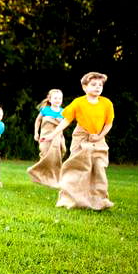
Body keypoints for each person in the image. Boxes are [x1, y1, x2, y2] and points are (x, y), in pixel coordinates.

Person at [40, 72, 114, 210]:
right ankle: (69, 199)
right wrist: (51, 135)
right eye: (93, 84)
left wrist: (99, 136)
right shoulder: (78, 102)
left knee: (98, 168)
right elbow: (66, 121)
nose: (98, 87)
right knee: (77, 168)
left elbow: (109, 124)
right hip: (80, 137)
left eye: (100, 85)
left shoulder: (107, 103)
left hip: (98, 139)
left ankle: (99, 201)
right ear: (84, 87)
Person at [27, 89, 66, 188]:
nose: (57, 100)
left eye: (60, 98)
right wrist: (36, 133)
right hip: (45, 136)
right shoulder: (45, 110)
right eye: (55, 98)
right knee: (45, 155)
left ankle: (53, 177)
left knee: (60, 153)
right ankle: (42, 176)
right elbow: (38, 121)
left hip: (58, 137)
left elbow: (65, 124)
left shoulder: (64, 111)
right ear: (50, 99)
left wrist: (58, 121)